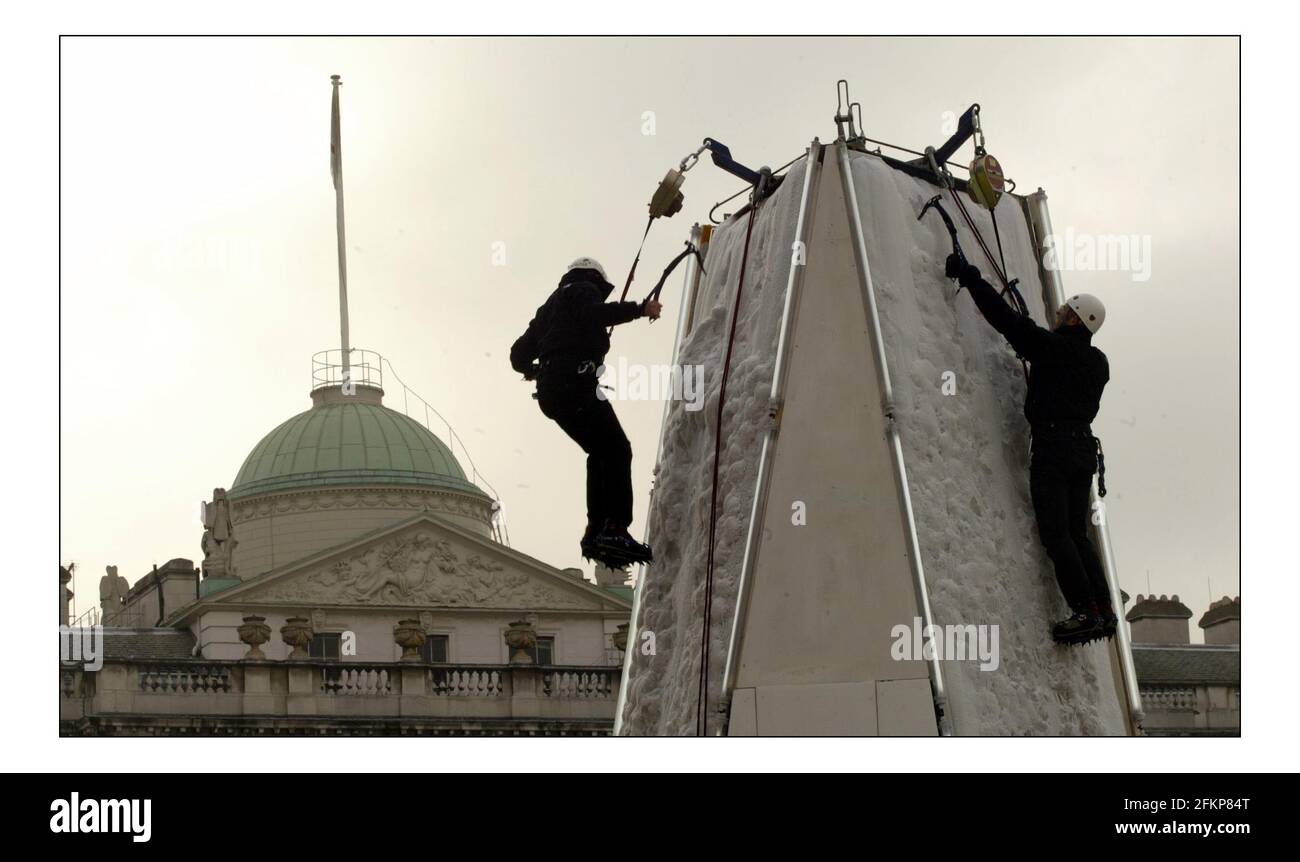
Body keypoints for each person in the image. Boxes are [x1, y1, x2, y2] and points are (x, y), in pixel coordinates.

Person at [944, 253, 1113, 645]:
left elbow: (1007, 321)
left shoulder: (1054, 350)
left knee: (1057, 535)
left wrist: (970, 276)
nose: (1057, 313)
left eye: (1063, 311)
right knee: (1077, 533)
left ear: (1074, 319)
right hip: (1082, 451)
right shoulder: (1096, 362)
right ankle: (1102, 610)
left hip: (1054, 450)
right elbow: (1051, 355)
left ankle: (1085, 610)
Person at [510, 257, 662, 567]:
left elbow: (517, 354)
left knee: (600, 452)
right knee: (618, 450)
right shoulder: (581, 289)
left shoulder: (549, 308)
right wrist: (640, 309)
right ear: (594, 278)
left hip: (553, 395)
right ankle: (615, 528)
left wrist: (534, 369)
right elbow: (595, 314)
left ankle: (596, 530)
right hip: (574, 386)